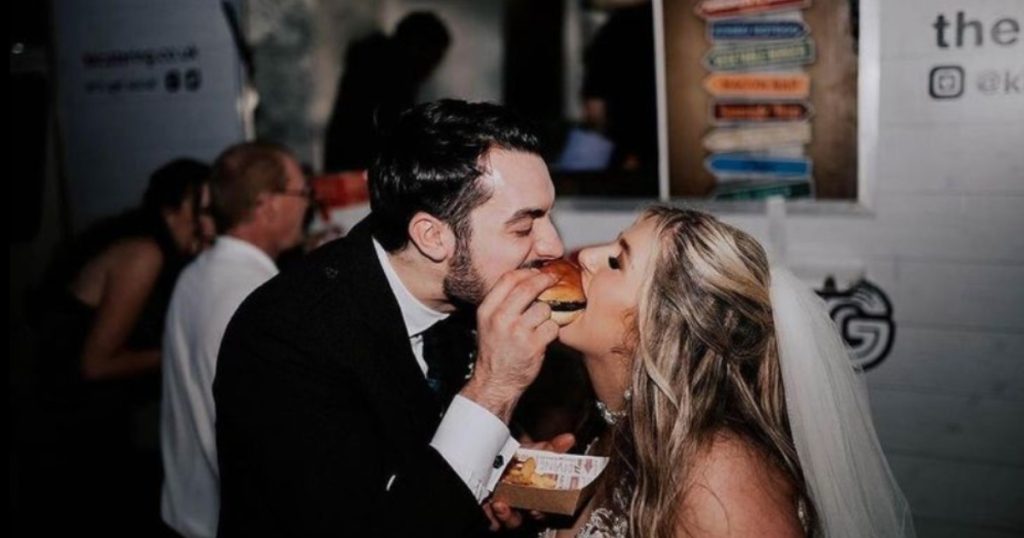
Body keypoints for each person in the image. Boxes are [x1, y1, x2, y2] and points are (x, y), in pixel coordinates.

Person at [214, 100, 568, 536]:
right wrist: (494, 388)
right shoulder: (286, 337)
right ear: (432, 236)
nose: (553, 245)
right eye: (523, 225)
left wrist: (502, 467)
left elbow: (431, 456)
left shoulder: (466, 301)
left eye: (548, 215)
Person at [544, 206, 915, 537]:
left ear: (662, 327)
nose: (587, 254)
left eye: (617, 262)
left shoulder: (718, 479)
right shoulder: (615, 423)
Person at [25, 158, 211, 534]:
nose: (210, 224)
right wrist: (178, 353)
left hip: (89, 423)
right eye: (203, 210)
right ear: (172, 208)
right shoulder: (143, 253)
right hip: (71, 431)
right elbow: (95, 364)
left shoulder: (158, 252)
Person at [160, 142, 310, 538]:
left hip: (186, 511)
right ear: (268, 204)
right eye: (301, 193)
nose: (307, 204)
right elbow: (276, 436)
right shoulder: (257, 296)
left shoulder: (196, 272)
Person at [322, 11, 451, 172]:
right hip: (360, 169)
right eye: (433, 55)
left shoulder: (374, 66)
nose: (432, 67)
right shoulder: (389, 76)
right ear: (417, 46)